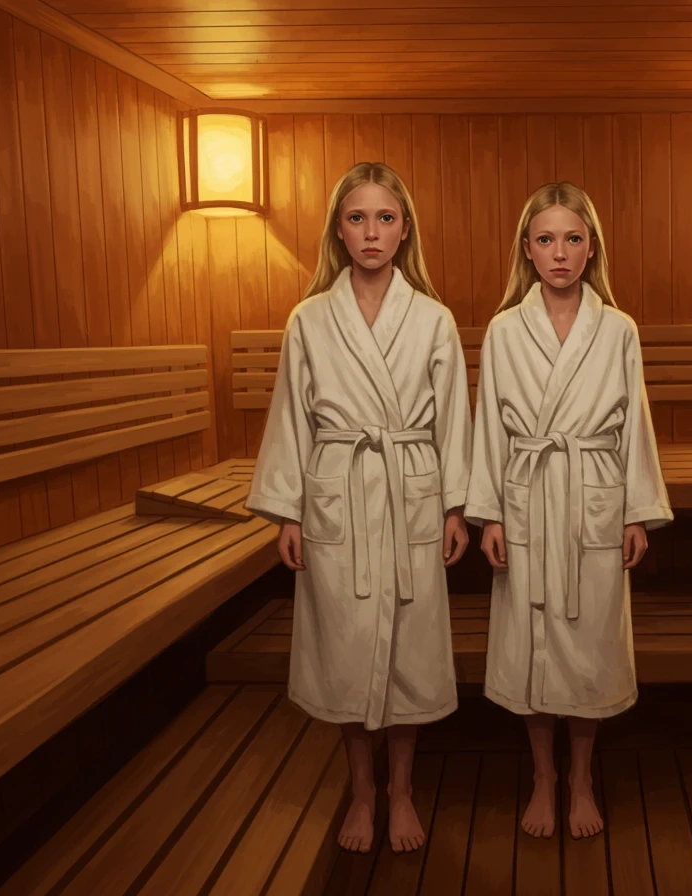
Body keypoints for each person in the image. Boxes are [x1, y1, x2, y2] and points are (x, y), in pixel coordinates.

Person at [246, 162, 471, 855]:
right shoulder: (310, 318)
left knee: (408, 643)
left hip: (409, 492)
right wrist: (289, 512)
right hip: (337, 493)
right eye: (357, 218)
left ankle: (400, 790)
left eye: (384, 218)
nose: (371, 232)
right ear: (338, 232)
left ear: (405, 231)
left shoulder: (432, 318)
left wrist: (454, 508)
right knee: (344, 642)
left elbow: (453, 420)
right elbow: (292, 418)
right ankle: (362, 792)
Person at [465, 182, 672, 840]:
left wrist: (634, 511)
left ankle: (581, 777)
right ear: (526, 250)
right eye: (546, 239)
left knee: (589, 644)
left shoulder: (618, 329)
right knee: (531, 642)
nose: (559, 252)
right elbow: (488, 428)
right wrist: (490, 514)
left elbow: (635, 425)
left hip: (593, 496)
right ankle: (543, 777)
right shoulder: (504, 330)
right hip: (527, 495)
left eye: (573, 239)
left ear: (592, 249)